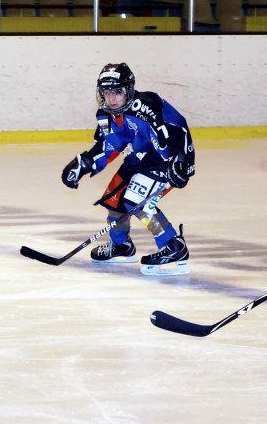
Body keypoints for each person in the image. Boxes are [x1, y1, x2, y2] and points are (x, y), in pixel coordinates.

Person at [61, 63, 194, 275]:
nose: (111, 98)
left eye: (117, 92)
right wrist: (84, 162)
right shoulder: (106, 115)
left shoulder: (147, 105)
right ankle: (121, 246)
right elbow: (108, 144)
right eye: (106, 92)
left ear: (129, 90)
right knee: (114, 199)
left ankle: (173, 246)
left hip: (167, 159)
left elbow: (176, 130)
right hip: (141, 156)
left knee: (138, 201)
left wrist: (180, 160)